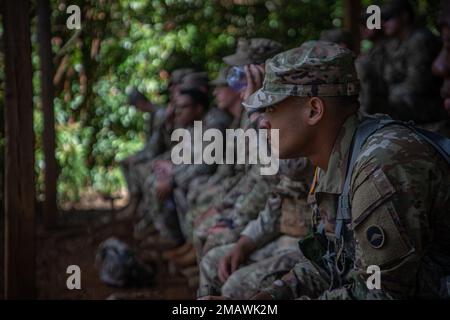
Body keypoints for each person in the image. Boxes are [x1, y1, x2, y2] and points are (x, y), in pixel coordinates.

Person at [203, 40, 450, 300]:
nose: (262, 123)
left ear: (313, 110)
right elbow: (330, 261)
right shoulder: (336, 157)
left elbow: (378, 295)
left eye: (271, 108)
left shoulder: (380, 166)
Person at [198, 157, 314, 299]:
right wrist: (243, 245)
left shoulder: (320, 166)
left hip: (308, 248)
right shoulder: (291, 159)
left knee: (235, 287)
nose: (270, 135)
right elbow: (274, 211)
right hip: (284, 238)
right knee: (211, 262)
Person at [380, 0, 446, 125]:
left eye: (388, 17)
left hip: (430, 103)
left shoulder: (419, 39)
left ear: (404, 16)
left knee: (395, 97)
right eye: (381, 18)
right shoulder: (395, 43)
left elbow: (418, 84)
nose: (383, 23)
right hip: (410, 99)